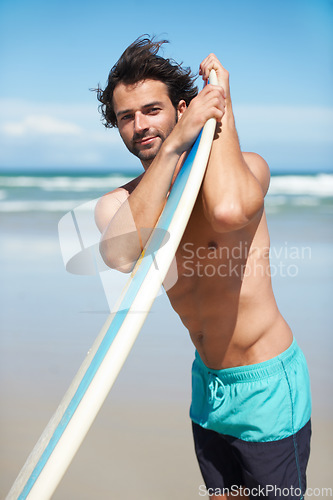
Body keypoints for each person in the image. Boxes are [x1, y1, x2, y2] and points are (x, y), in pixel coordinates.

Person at [94, 36, 311, 499]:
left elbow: (230, 211)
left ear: (182, 107)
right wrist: (173, 147)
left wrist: (220, 107)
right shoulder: (122, 203)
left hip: (267, 384)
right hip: (207, 385)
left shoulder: (249, 168)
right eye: (126, 117)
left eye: (152, 110)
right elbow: (119, 255)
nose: (139, 126)